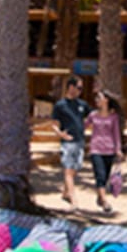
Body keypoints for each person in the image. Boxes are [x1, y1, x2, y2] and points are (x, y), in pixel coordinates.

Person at [52, 76, 91, 206]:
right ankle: (73, 199)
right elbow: (54, 124)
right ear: (71, 87)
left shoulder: (82, 105)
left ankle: (65, 192)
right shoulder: (60, 105)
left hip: (80, 140)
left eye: (81, 88)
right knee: (68, 169)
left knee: (75, 168)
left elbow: (91, 118)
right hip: (67, 142)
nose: (80, 91)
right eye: (79, 88)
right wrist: (60, 134)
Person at [86, 89, 123, 211]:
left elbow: (116, 133)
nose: (97, 100)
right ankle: (105, 202)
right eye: (96, 98)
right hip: (96, 149)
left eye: (99, 98)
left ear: (106, 100)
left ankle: (100, 197)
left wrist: (118, 149)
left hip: (109, 150)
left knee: (105, 177)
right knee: (100, 175)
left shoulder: (114, 117)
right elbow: (83, 126)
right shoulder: (93, 115)